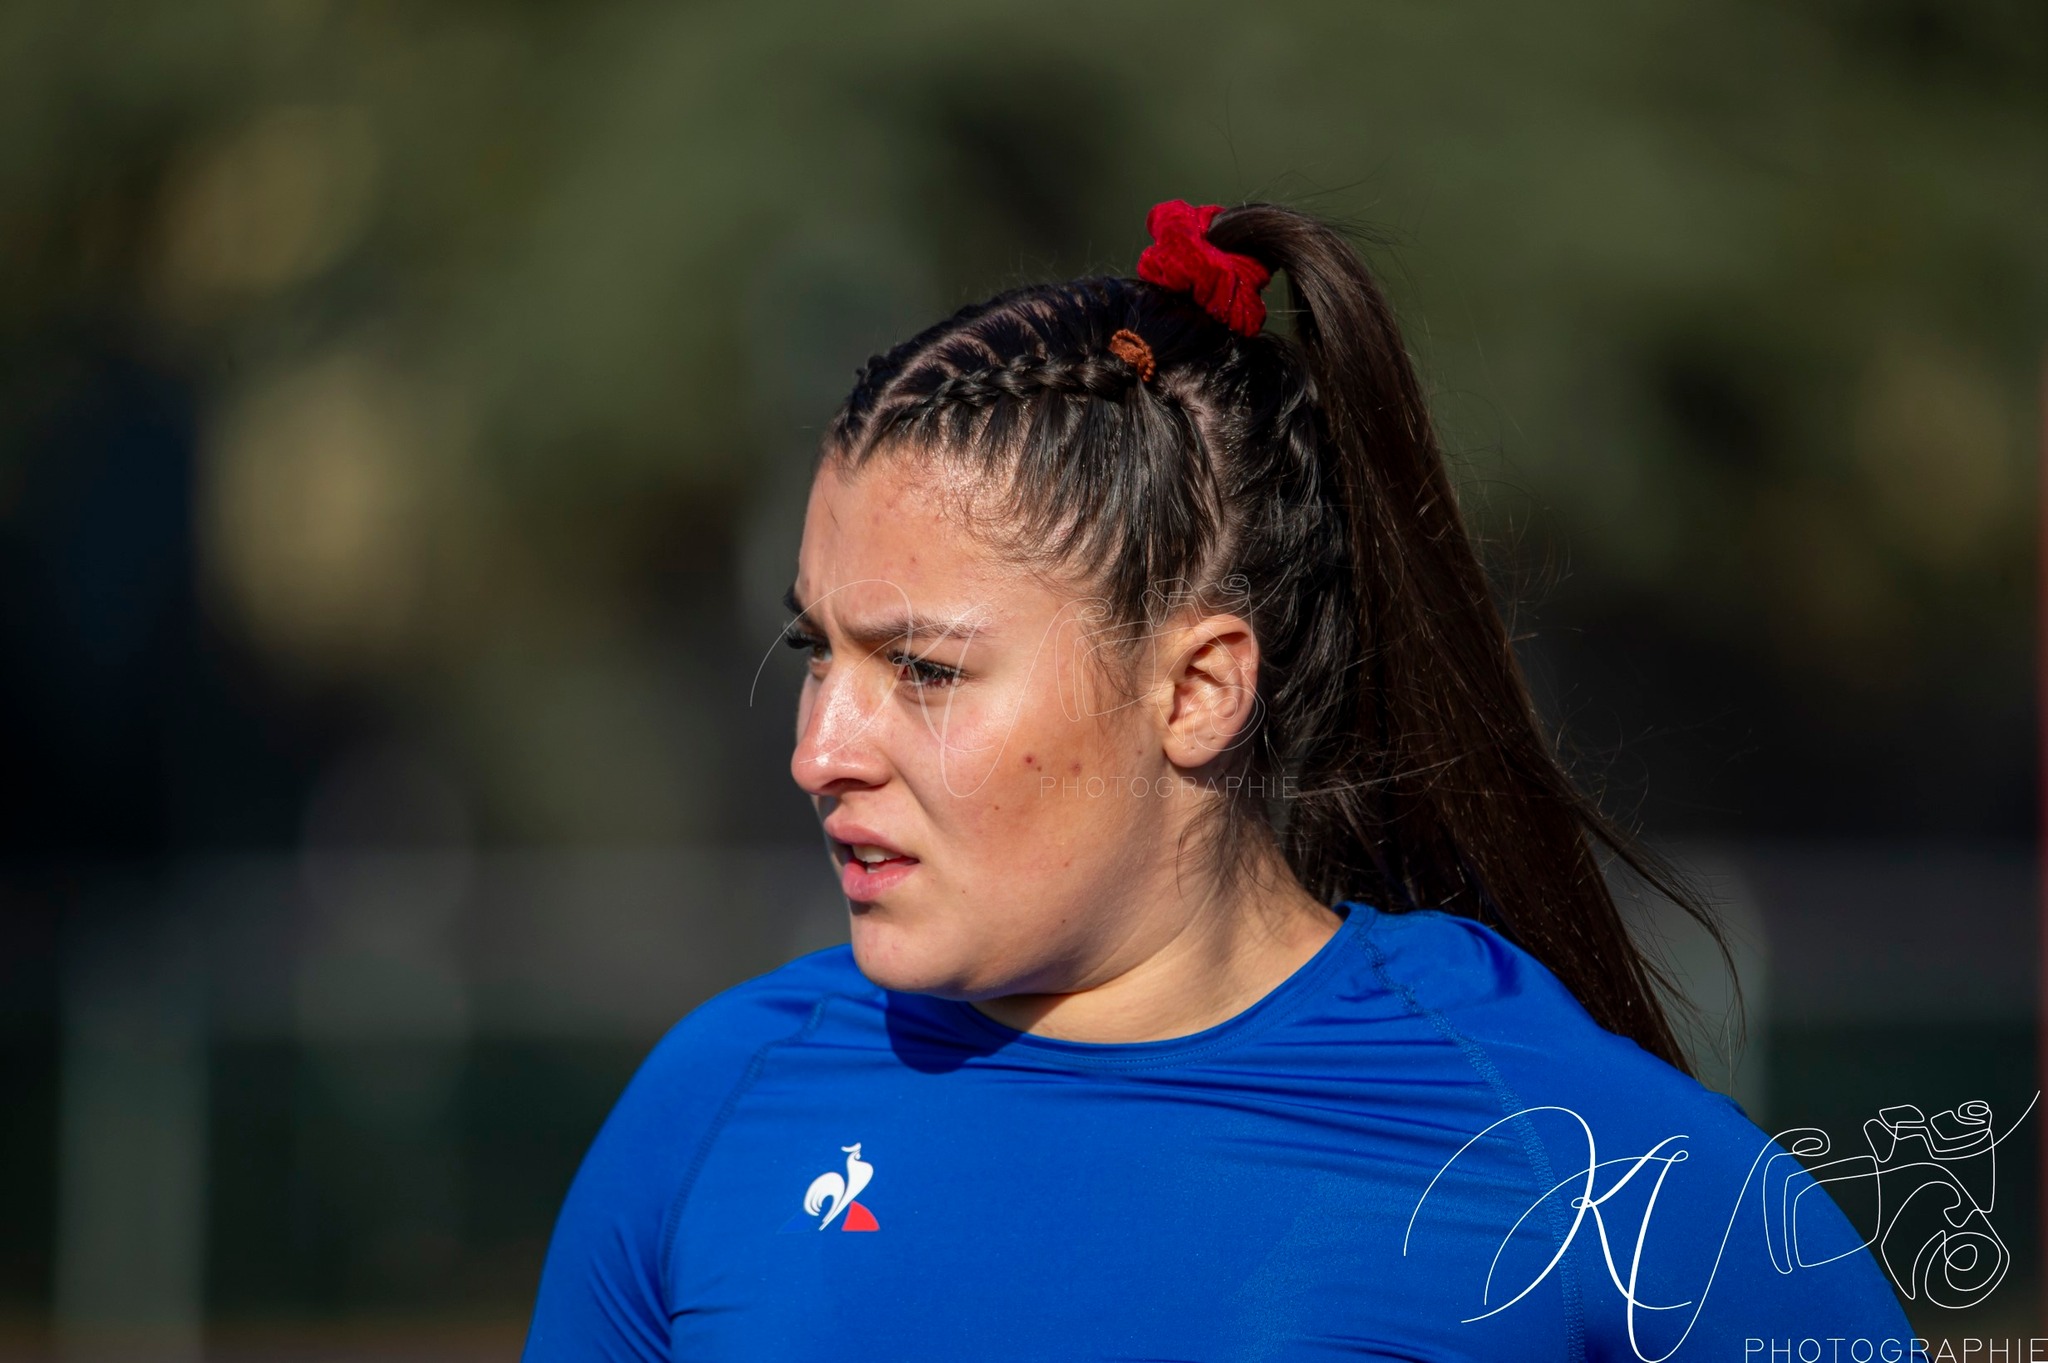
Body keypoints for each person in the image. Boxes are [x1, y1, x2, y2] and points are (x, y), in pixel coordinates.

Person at [521, 200, 1916, 1361]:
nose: (820, 747)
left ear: (1197, 689)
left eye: (925, 670)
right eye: (816, 653)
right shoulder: (712, 1108)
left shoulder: (1577, 1164)